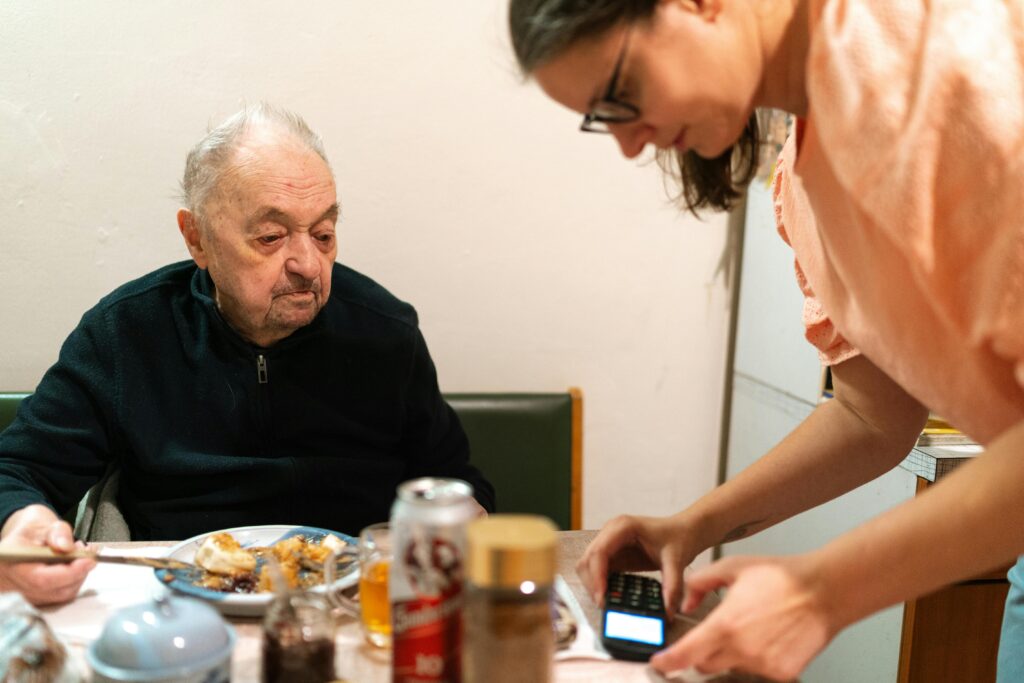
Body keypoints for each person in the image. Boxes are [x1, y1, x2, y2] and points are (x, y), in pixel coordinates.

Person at [508, 0, 1024, 680]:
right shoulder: (806, 181)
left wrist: (821, 592)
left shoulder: (937, 68)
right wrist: (695, 525)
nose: (629, 145)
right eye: (602, 121)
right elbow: (872, 415)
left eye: (619, 97)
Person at [0, 103, 495, 606]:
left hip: (350, 604)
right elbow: (16, 471)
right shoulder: (126, 334)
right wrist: (24, 521)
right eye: (271, 237)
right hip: (176, 605)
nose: (308, 264)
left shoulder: (385, 331)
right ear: (198, 238)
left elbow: (459, 483)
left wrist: (462, 513)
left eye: (324, 234)